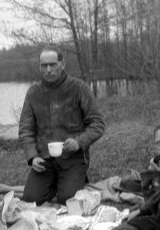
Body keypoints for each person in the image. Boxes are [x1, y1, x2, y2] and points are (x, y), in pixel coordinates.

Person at [18, 46, 105, 205]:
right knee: (31, 200)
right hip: (44, 160)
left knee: (68, 199)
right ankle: (54, 183)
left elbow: (98, 123)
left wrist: (79, 142)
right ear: (39, 67)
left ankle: (74, 179)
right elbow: (26, 130)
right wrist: (33, 156)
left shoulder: (79, 87)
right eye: (44, 66)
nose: (48, 70)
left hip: (73, 158)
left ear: (62, 64)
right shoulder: (33, 92)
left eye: (53, 65)